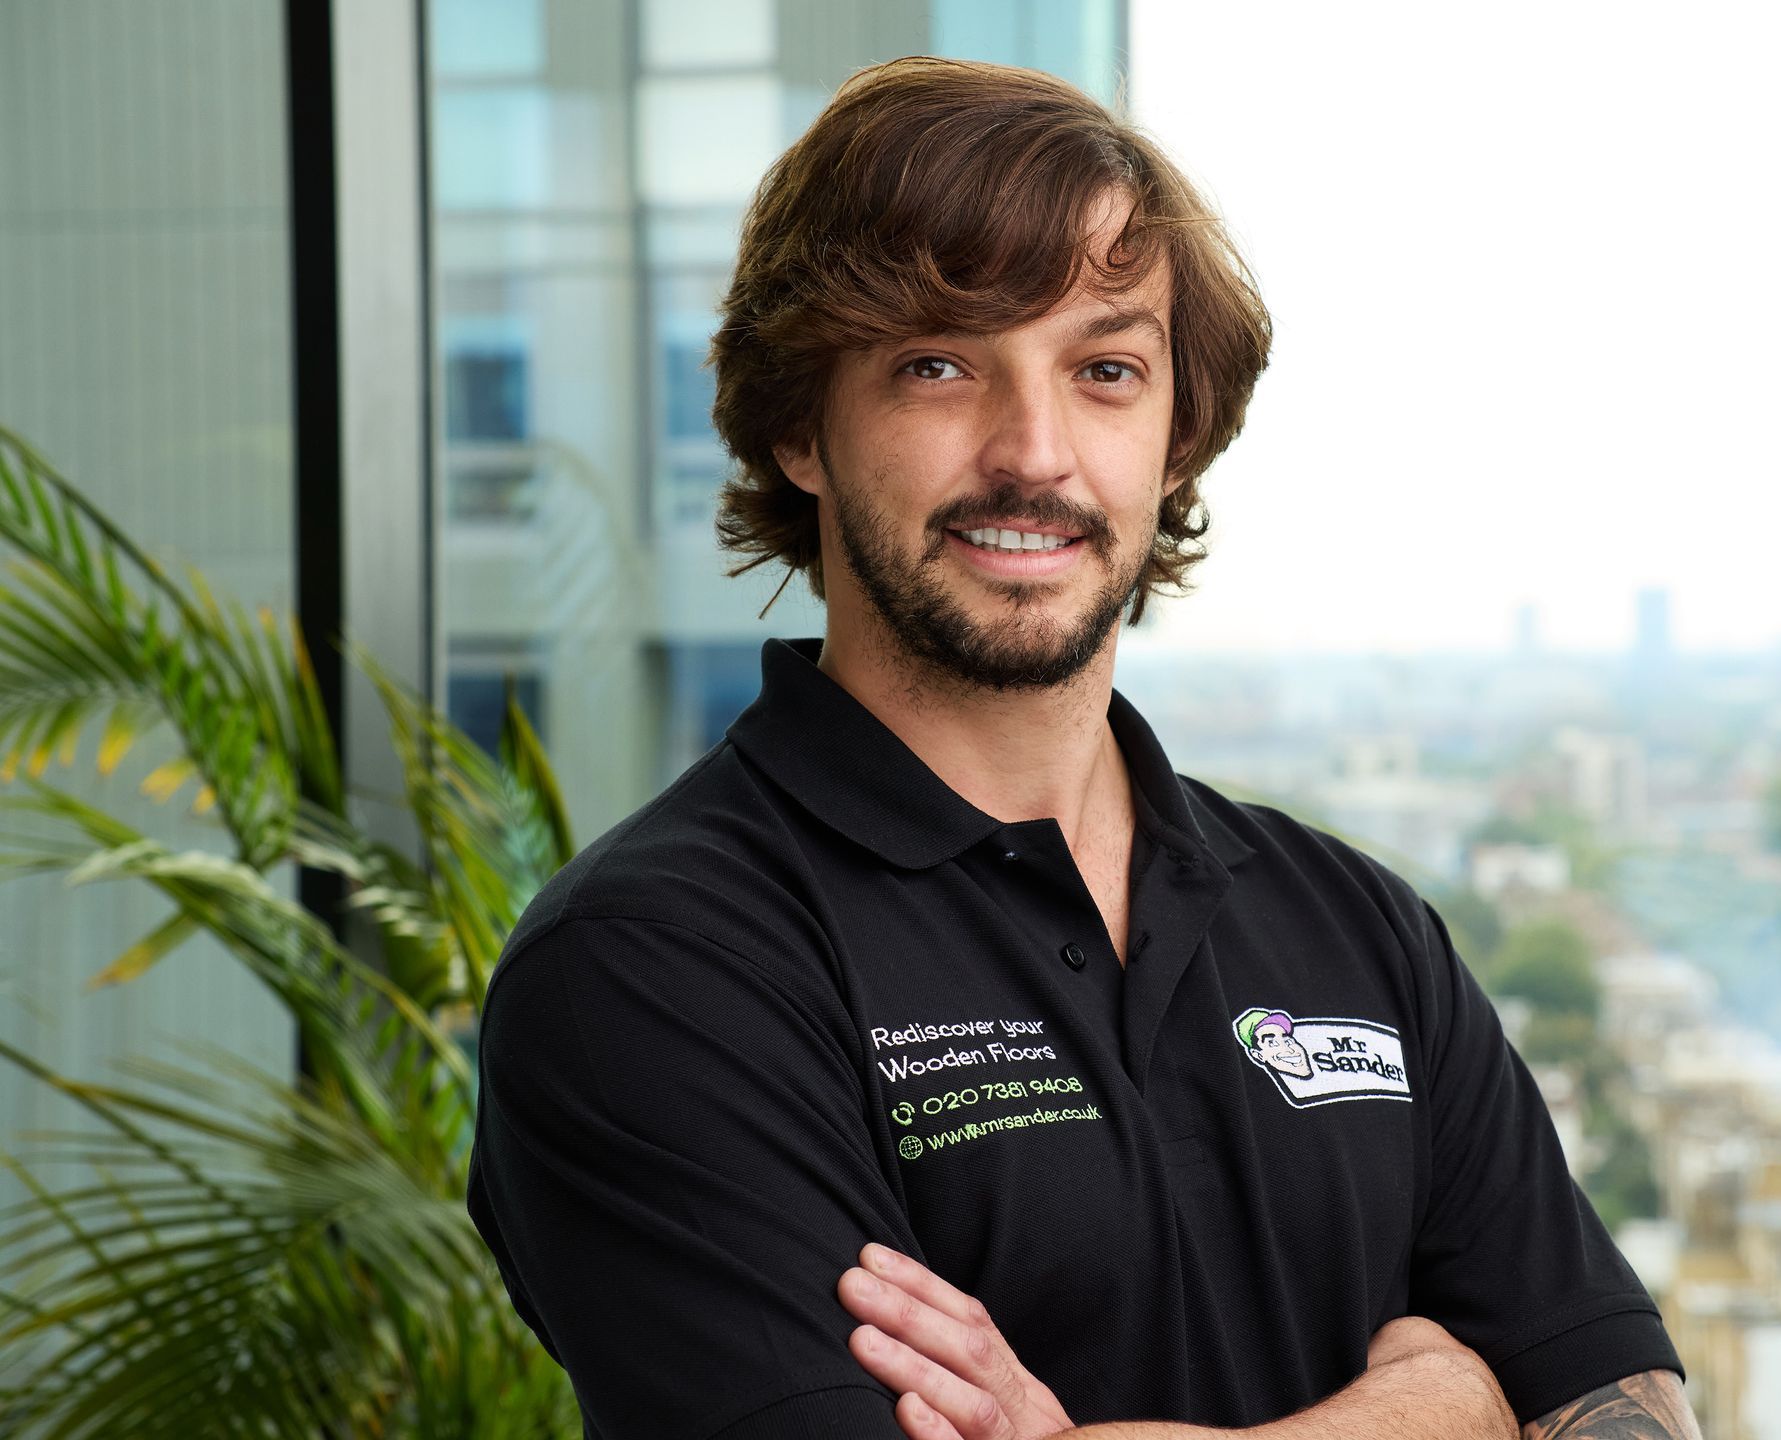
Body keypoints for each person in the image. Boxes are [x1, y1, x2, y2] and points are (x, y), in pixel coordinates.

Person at [465, 56, 1702, 1440]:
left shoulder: (1358, 927)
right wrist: (1446, 1407)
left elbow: (1631, 1407)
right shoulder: (654, 967)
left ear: (1177, 437)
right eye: (938, 365)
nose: (1035, 452)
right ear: (799, 427)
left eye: (1105, 370)